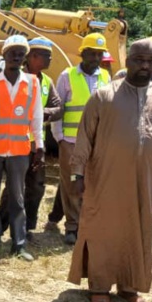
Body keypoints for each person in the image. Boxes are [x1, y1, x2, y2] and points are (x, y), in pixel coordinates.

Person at [67, 38, 152, 302]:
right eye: (139, 59)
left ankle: (130, 288)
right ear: (127, 60)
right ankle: (99, 287)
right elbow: (84, 138)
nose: (145, 66)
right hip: (106, 176)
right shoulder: (105, 96)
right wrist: (77, 174)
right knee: (103, 228)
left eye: (151, 61)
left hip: (146, 179)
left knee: (138, 229)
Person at [0, 35, 44, 262]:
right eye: (12, 52)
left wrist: (40, 145)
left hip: (19, 150)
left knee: (17, 198)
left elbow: (36, 116)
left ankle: (18, 245)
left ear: (24, 57)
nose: (16, 56)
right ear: (4, 55)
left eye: (20, 53)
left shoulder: (32, 82)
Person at [0, 37, 62, 238]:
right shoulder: (15, 77)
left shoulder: (47, 82)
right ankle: (1, 227)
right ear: (32, 57)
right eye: (46, 56)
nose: (50, 60)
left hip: (36, 145)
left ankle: (27, 229)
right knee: (13, 188)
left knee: (36, 187)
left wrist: (45, 112)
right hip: (16, 143)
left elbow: (59, 107)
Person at [52, 32, 111, 245]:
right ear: (82, 53)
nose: (96, 59)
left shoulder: (105, 77)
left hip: (96, 142)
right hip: (70, 140)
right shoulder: (67, 76)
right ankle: (72, 227)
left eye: (99, 54)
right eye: (92, 54)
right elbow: (58, 108)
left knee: (92, 184)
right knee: (72, 184)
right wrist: (59, 138)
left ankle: (86, 225)